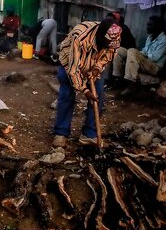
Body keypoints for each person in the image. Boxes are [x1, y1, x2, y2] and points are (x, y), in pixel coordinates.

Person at [52, 19, 122, 148]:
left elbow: (108, 56)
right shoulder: (80, 37)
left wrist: (97, 69)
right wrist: (85, 90)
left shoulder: (114, 36)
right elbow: (74, 70)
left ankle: (89, 134)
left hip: (93, 64)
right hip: (70, 63)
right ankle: (61, 133)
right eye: (106, 43)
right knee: (67, 95)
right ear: (100, 36)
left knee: (98, 96)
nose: (108, 46)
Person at [113, 15, 166, 96]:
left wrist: (139, 55)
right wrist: (139, 55)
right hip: (147, 62)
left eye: (150, 25)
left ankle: (132, 83)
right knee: (119, 50)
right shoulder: (150, 37)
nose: (147, 27)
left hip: (154, 67)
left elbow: (155, 57)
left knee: (132, 51)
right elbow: (144, 51)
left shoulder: (164, 40)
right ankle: (117, 78)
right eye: (147, 25)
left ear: (158, 26)